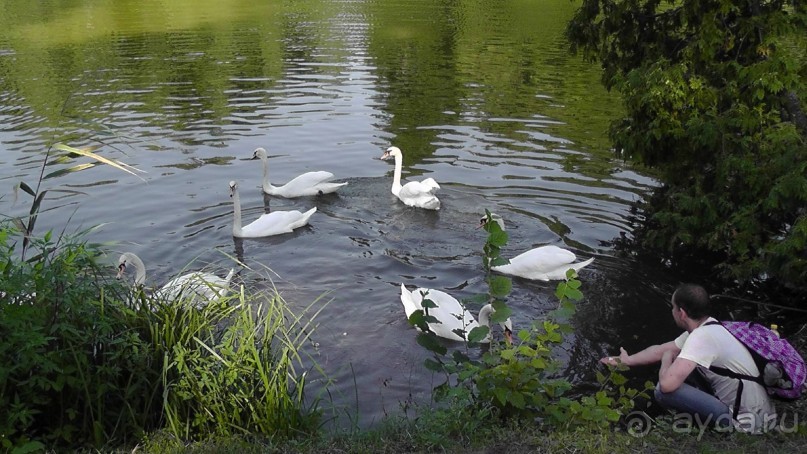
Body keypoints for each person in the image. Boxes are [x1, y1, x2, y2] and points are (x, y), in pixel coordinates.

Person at [601, 283, 777, 433]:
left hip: (749, 425)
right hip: (763, 414)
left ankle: (692, 425)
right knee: (685, 369)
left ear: (682, 313)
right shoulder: (710, 328)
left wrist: (666, 360)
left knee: (662, 392)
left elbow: (667, 385)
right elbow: (660, 350)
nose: (672, 311)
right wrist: (627, 360)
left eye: (673, 307)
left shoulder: (700, 339)